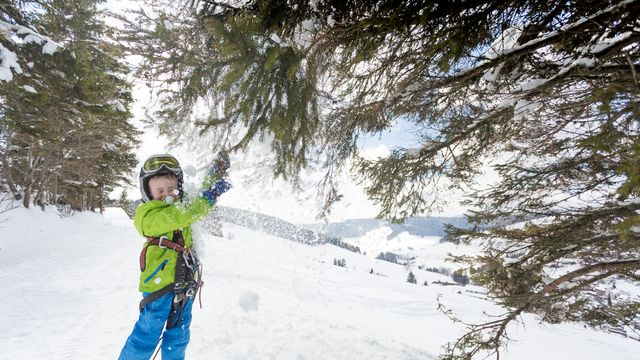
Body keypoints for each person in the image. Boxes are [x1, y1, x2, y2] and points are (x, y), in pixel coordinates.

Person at [119, 153, 231, 360]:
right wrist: (210, 196)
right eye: (159, 191)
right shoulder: (147, 214)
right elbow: (186, 213)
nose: (166, 194)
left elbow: (194, 200)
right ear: (148, 192)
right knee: (147, 334)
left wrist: (214, 175)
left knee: (178, 335)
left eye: (171, 189)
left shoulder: (181, 206)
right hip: (159, 286)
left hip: (185, 283)